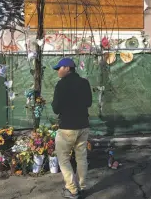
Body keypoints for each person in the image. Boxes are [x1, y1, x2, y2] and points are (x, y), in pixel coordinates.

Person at [51, 57, 92, 199]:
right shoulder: (85, 83)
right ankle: (82, 186)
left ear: (67, 68)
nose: (58, 71)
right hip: (83, 125)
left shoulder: (61, 85)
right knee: (81, 157)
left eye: (59, 68)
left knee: (63, 158)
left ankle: (72, 189)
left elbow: (56, 109)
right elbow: (89, 102)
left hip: (67, 127)